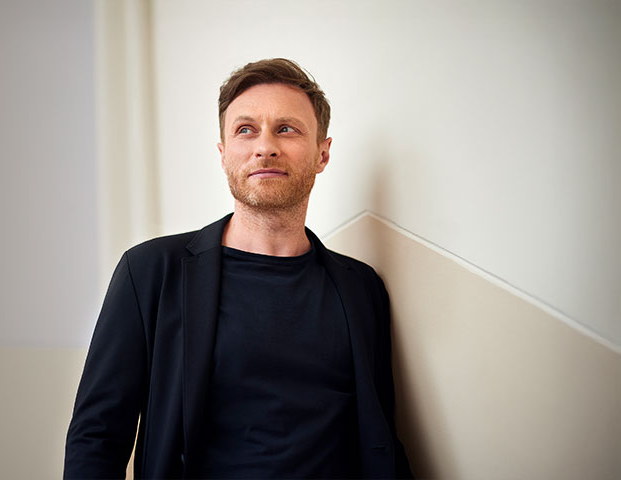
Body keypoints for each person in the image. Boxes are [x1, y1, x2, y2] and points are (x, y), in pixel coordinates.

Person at [64, 58, 412, 479]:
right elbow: (98, 436)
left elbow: (380, 439)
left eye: (287, 129)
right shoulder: (150, 273)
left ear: (323, 153)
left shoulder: (362, 289)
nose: (265, 146)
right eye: (246, 130)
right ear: (224, 154)